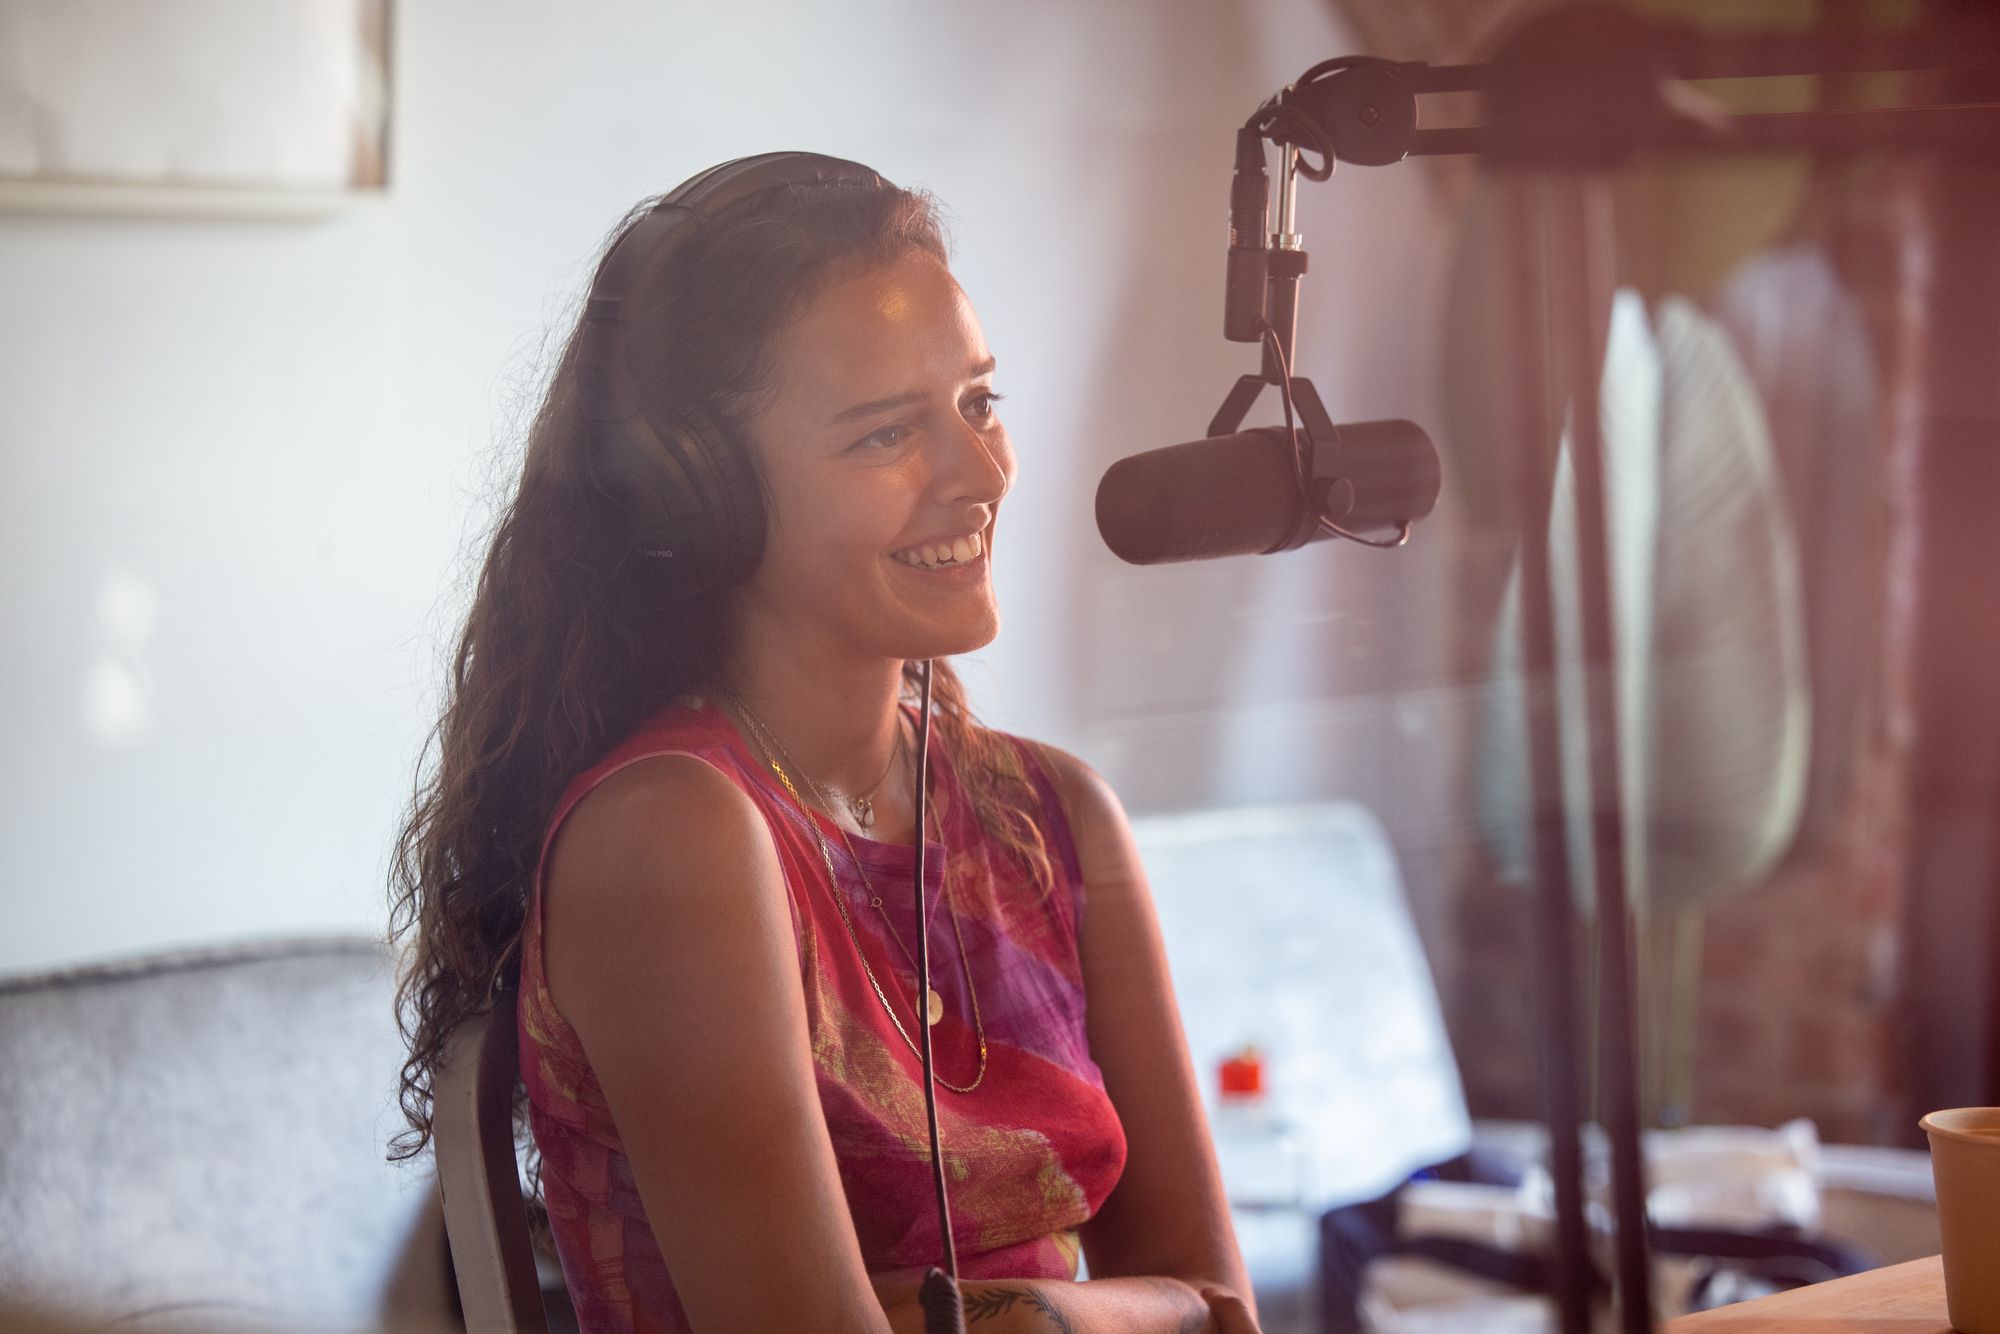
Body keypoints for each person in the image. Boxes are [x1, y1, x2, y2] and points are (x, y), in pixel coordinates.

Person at [389, 155, 1259, 1334]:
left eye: (978, 401)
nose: (979, 472)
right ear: (707, 499)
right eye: (884, 434)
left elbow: (1223, 1309)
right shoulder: (676, 834)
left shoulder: (1056, 812)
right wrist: (1116, 1309)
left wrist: (1028, 1314)